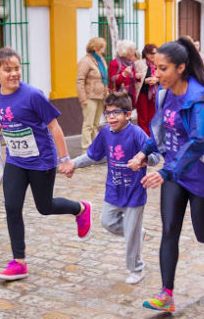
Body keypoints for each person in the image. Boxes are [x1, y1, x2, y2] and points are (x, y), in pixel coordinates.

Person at [127, 37, 204, 313]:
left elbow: (197, 142)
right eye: (155, 68)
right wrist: (143, 153)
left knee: (203, 233)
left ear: (181, 68)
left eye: (163, 69)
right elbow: (161, 131)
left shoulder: (200, 98)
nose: (156, 75)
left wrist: (166, 170)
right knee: (169, 231)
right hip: (175, 175)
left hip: (203, 173)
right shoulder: (165, 93)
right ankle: (166, 294)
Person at [0, 47, 92, 280]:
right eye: (7, 70)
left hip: (41, 160)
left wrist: (64, 160)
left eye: (16, 69)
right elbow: (5, 117)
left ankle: (80, 208)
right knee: (12, 207)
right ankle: (19, 262)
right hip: (16, 159)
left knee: (44, 206)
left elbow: (54, 127)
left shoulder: (32, 95)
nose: (13, 74)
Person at [61, 91, 161, 284]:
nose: (111, 117)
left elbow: (156, 157)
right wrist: (73, 163)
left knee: (131, 235)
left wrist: (144, 159)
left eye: (116, 113)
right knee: (107, 222)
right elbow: (93, 155)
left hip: (134, 193)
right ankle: (135, 233)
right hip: (113, 190)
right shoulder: (105, 133)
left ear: (128, 114)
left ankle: (136, 268)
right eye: (108, 113)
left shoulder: (137, 134)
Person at [76, 37, 108, 150]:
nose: (104, 50)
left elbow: (104, 78)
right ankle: (86, 149)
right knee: (88, 124)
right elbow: (80, 80)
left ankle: (94, 148)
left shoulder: (100, 60)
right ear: (96, 47)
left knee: (96, 124)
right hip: (89, 96)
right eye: (102, 47)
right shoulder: (85, 61)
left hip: (100, 96)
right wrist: (82, 98)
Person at [134, 44, 158, 136]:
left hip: (154, 96)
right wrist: (140, 78)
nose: (154, 55)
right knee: (143, 118)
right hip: (143, 94)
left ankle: (152, 138)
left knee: (153, 118)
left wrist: (156, 79)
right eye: (152, 53)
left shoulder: (159, 63)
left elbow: (165, 76)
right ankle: (143, 138)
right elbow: (133, 78)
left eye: (156, 53)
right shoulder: (139, 63)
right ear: (146, 54)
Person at [108, 40, 138, 105]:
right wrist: (124, 74)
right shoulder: (115, 63)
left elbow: (132, 79)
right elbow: (113, 80)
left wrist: (137, 76)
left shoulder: (131, 62)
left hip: (130, 95)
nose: (133, 53)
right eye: (131, 51)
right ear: (125, 52)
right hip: (118, 96)